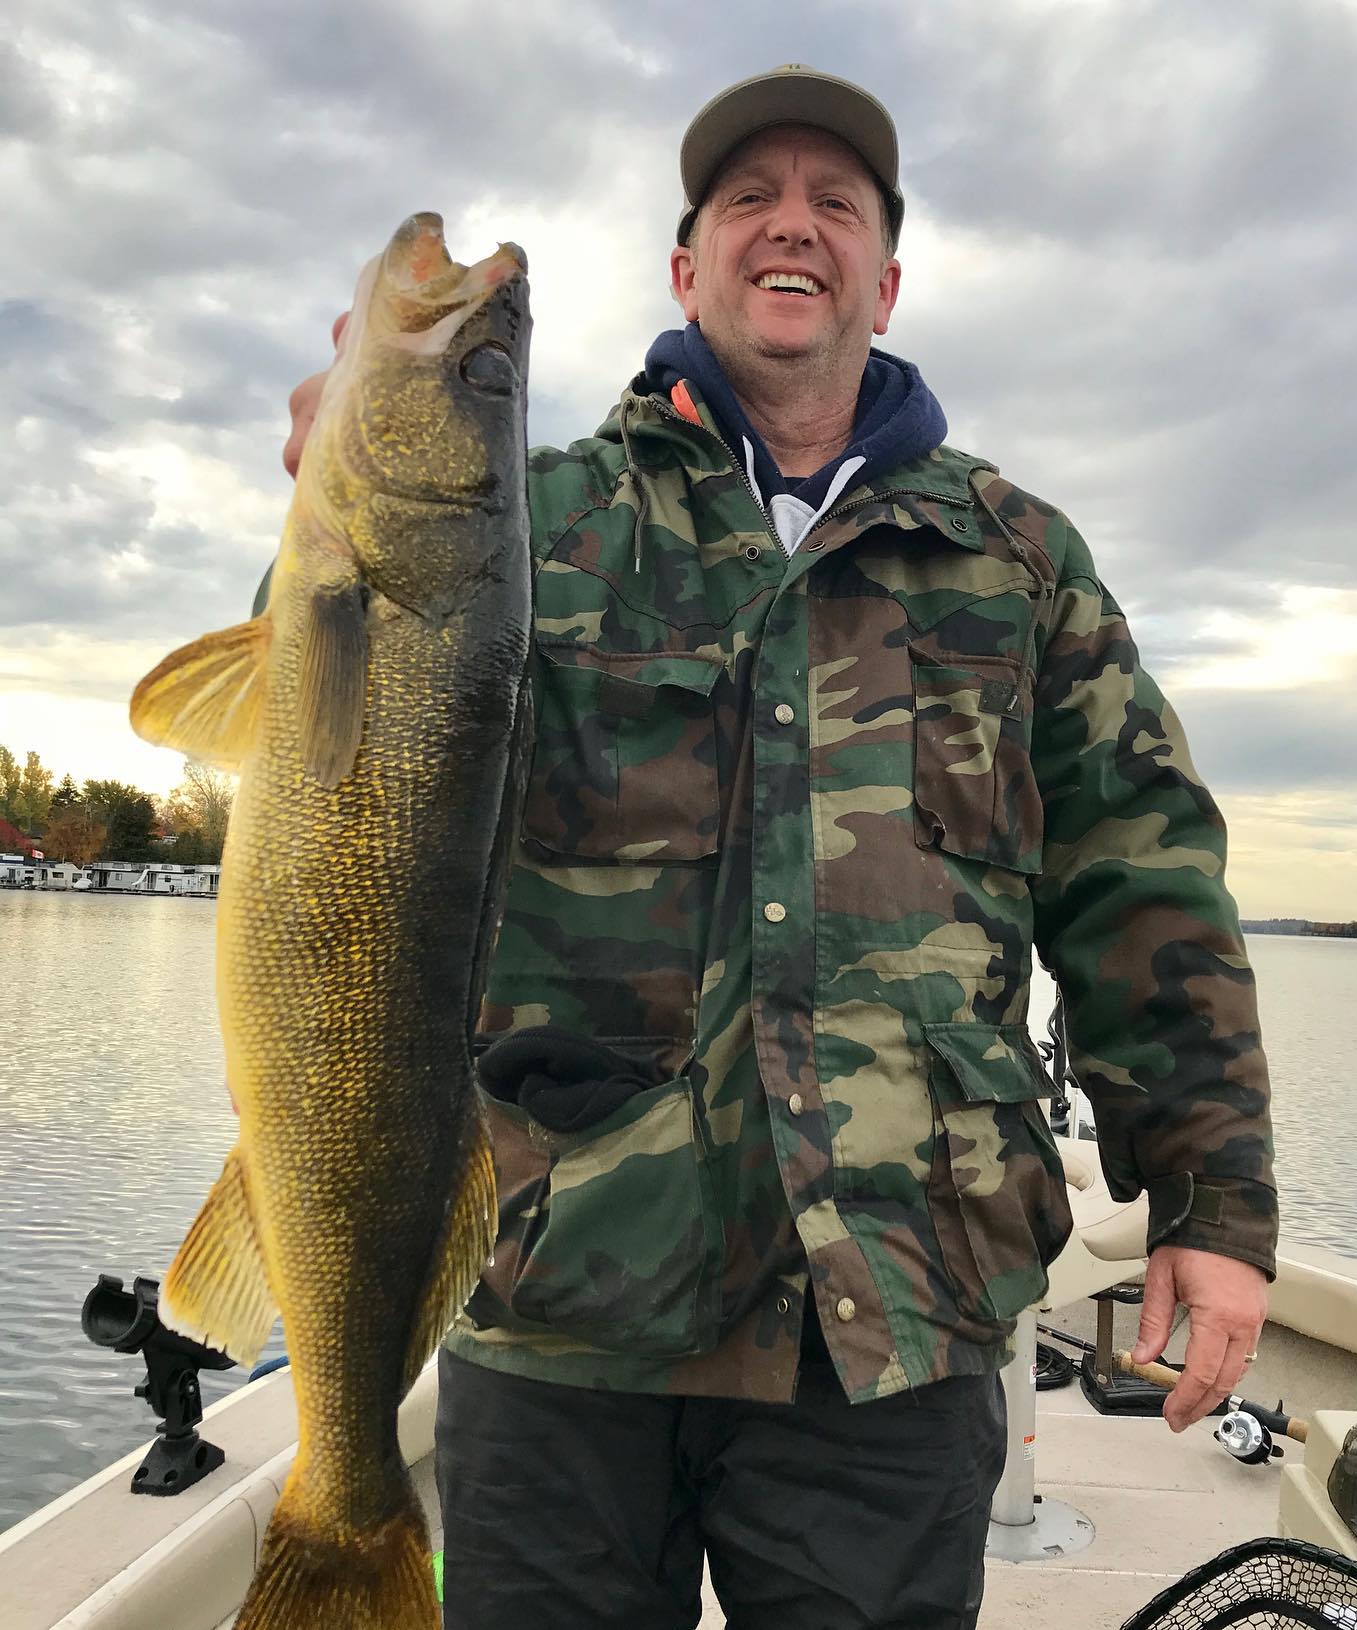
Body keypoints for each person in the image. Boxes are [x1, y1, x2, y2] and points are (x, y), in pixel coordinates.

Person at [283, 64, 1277, 1630]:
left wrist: (1217, 1211)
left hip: (894, 1319)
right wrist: (340, 468)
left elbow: (1142, 880)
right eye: (748, 199)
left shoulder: (1020, 561)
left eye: (837, 203)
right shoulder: (524, 517)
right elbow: (351, 762)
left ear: (889, 274)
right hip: (561, 1303)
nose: (790, 227)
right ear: (688, 268)